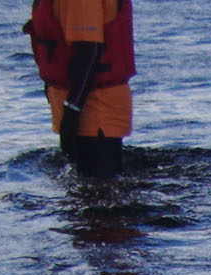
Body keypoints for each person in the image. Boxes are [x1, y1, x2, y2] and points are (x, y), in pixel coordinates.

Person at [26, 0, 134, 179]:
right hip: (80, 105)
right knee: (84, 194)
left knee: (99, 195)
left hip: (96, 113)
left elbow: (89, 52)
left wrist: (71, 115)